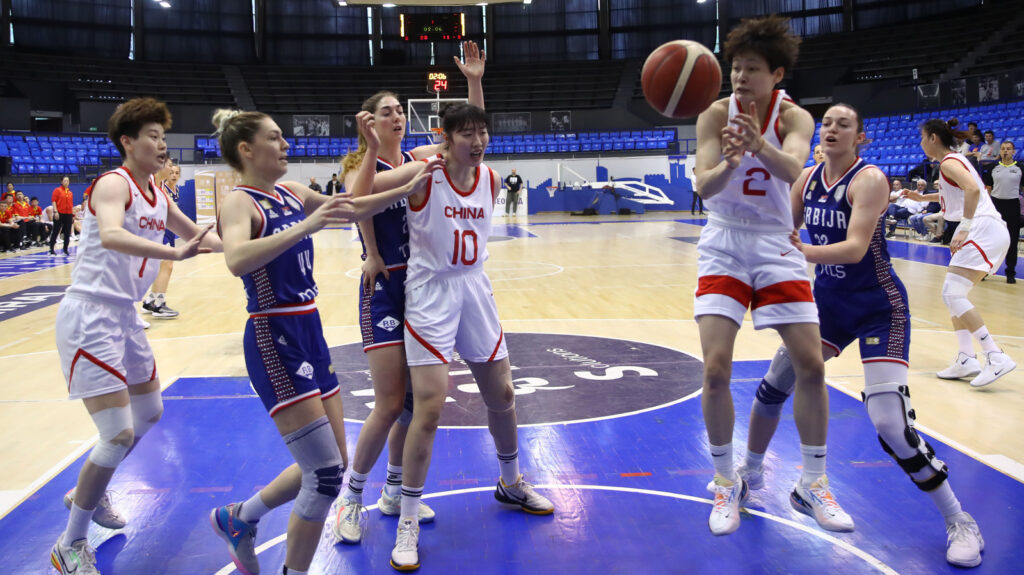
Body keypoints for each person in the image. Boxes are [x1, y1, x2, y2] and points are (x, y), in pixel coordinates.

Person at [738, 103, 984, 568]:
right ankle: (749, 475)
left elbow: (853, 249)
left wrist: (799, 249)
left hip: (878, 307)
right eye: (826, 122)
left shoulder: (870, 179)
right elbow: (780, 228)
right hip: (828, 305)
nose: (831, 129)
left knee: (890, 425)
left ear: (861, 137)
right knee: (773, 384)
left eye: (843, 124)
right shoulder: (806, 179)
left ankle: (959, 519)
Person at [207, 108, 436, 575]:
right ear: (247, 150)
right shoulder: (240, 202)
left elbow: (351, 207)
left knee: (332, 463)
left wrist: (405, 188)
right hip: (273, 333)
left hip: (310, 330)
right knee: (326, 475)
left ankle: (241, 517)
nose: (286, 143)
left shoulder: (291, 192)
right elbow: (236, 258)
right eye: (275, 137)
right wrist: (307, 226)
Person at [50, 97, 222, 575]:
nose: (162, 144)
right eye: (152, 136)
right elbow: (109, 234)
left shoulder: (157, 195)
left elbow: (199, 237)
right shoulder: (113, 183)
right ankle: (71, 543)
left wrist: (256, 250)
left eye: (163, 136)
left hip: (123, 316)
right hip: (91, 316)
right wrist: (174, 252)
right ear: (128, 141)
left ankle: (92, 488)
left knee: (149, 412)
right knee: (117, 433)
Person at [380, 103, 554, 571]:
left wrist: (476, 89)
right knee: (431, 408)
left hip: (474, 287)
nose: (477, 141)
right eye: (466, 134)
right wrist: (418, 158)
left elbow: (472, 123)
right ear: (445, 138)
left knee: (503, 394)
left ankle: (511, 482)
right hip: (430, 292)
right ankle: (409, 519)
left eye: (483, 133)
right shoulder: (422, 173)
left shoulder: (491, 179)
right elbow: (370, 190)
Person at [331, 40, 487, 548]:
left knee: (412, 407)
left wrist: (473, 82)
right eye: (386, 112)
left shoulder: (424, 156)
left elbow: (470, 136)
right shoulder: (361, 164)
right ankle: (351, 498)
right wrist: (371, 254)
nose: (396, 117)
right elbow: (360, 205)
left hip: (424, 287)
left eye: (400, 111)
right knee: (386, 402)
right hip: (385, 285)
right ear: (368, 121)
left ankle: (395, 491)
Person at [693, 15, 844, 536]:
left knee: (810, 364)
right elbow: (705, 187)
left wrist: (759, 146)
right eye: (734, 68)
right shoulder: (713, 116)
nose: (739, 77)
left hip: (776, 242)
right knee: (715, 369)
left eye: (751, 69)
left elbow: (793, 170)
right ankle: (722, 480)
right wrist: (730, 162)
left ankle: (814, 483)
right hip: (725, 241)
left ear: (775, 74)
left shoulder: (796, 118)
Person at [902, 119, 1015, 387]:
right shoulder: (953, 162)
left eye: (922, 138)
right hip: (987, 230)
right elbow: (954, 196)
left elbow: (973, 190)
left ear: (932, 138)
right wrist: (921, 198)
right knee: (955, 295)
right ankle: (966, 358)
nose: (920, 143)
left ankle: (995, 356)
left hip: (982, 230)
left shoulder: (949, 163)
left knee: (952, 293)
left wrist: (963, 228)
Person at [141, 160, 182, 318]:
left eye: (176, 171)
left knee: (162, 266)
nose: (172, 170)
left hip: (165, 228)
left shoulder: (164, 188)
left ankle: (151, 301)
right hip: (158, 228)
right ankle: (159, 304)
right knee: (167, 265)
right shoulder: (150, 184)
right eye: (169, 166)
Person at [986, 140, 1022, 283]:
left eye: (1008, 149)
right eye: (1003, 149)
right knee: (991, 240)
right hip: (996, 206)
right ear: (1000, 151)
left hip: (1013, 206)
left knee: (1012, 241)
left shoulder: (1020, 167)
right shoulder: (993, 167)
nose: (1005, 151)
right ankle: (986, 270)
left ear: (1013, 151)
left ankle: (1010, 273)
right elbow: (988, 188)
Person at [50, 176, 75, 256]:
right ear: (61, 182)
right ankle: (51, 249)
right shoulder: (57, 190)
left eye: (68, 180)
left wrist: (72, 215)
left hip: (68, 214)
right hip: (59, 213)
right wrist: (55, 211)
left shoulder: (70, 192)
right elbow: (54, 201)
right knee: (56, 231)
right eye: (65, 180)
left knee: (67, 232)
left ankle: (65, 249)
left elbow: (71, 204)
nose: (66, 182)